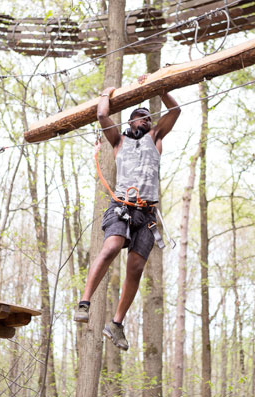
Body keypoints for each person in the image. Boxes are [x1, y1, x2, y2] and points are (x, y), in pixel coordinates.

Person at [74, 80, 181, 351]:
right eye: (138, 117)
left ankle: (117, 324)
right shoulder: (118, 140)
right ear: (130, 122)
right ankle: (84, 303)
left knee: (135, 268)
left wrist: (161, 88)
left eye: (148, 118)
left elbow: (176, 110)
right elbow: (101, 114)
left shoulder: (155, 138)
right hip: (122, 206)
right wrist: (106, 92)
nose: (144, 120)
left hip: (146, 213)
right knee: (111, 246)